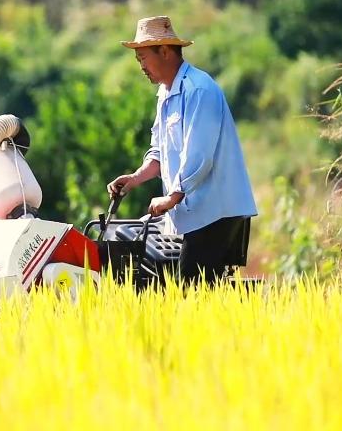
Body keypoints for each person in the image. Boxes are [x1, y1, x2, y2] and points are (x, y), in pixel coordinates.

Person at [107, 16, 258, 285]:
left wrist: (171, 198)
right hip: (194, 211)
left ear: (165, 51)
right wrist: (135, 179)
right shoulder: (165, 94)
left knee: (191, 290)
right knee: (186, 288)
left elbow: (199, 155)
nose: (141, 66)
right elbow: (159, 152)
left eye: (143, 58)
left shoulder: (198, 89)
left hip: (215, 209)